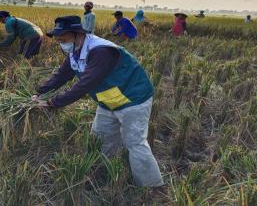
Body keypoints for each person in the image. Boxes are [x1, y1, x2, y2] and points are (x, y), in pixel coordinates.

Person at [32, 16, 164, 187]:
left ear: (77, 34)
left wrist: (53, 103)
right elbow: (62, 75)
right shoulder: (74, 52)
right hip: (108, 99)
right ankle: (107, 172)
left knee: (134, 142)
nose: (60, 43)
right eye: (58, 40)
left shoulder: (101, 51)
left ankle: (151, 186)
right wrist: (40, 93)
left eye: (63, 39)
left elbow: (85, 84)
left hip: (133, 97)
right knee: (100, 139)